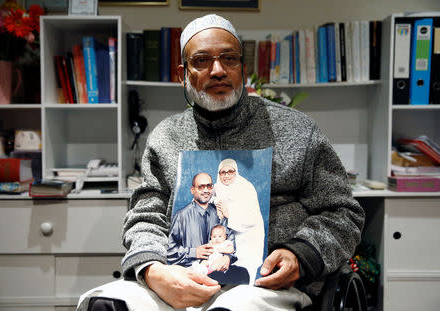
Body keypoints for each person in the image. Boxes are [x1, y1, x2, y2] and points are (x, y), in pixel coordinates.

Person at [77, 13, 365, 311]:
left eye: (229, 59)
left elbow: (343, 213)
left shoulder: (297, 130)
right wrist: (152, 269)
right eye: (201, 60)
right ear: (183, 74)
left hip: (266, 285)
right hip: (181, 277)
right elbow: (145, 217)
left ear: (243, 67)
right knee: (103, 304)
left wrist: (301, 254)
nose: (217, 70)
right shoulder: (166, 137)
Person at [213, 158, 265, 284]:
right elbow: (205, 196)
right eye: (222, 172)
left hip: (247, 239)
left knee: (243, 281)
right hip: (227, 242)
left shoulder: (246, 187)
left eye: (230, 171)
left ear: (236, 172)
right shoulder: (217, 187)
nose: (226, 175)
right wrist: (216, 202)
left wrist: (228, 214)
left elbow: (252, 218)